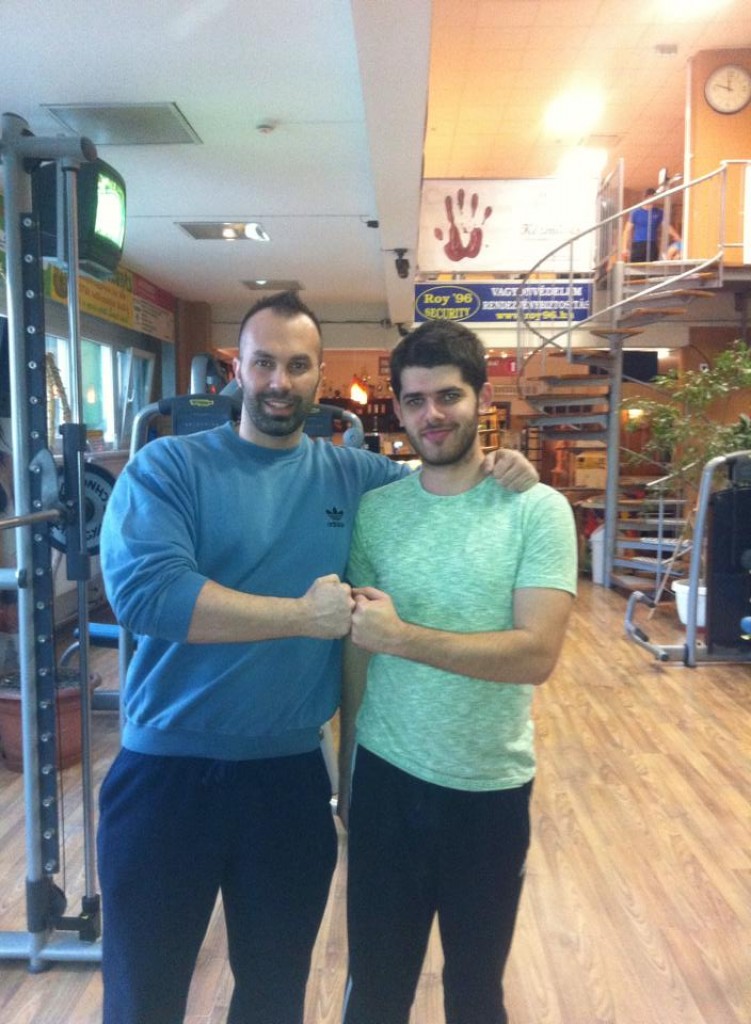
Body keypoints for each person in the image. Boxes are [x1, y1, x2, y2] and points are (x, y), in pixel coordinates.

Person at [96, 290, 539, 1024]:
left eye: (297, 365)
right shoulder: (168, 466)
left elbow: (440, 479)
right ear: (236, 369)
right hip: (166, 775)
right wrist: (302, 617)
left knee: (274, 998)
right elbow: (150, 596)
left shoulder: (353, 477)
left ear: (319, 375)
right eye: (263, 362)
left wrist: (499, 465)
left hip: (289, 781)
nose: (279, 381)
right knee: (144, 998)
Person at [338, 320, 577, 1024]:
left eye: (448, 396)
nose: (431, 415)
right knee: (374, 993)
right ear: (398, 407)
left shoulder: (537, 509)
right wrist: (348, 770)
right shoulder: (378, 511)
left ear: (482, 398)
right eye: (415, 401)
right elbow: (359, 650)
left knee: (475, 995)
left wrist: (404, 638)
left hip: (488, 790)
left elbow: (535, 654)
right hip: (386, 781)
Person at [621, 187, 664, 262]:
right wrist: (624, 248)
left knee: (652, 267)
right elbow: (627, 231)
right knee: (636, 267)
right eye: (650, 198)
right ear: (645, 198)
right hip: (638, 244)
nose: (652, 200)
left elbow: (666, 226)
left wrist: (677, 237)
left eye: (653, 198)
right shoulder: (635, 212)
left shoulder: (658, 212)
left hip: (652, 244)